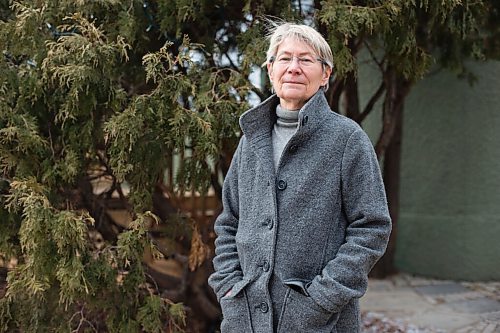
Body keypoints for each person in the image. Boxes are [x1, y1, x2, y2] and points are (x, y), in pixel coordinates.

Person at [208, 22, 392, 333]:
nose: (294, 68)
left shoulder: (346, 139)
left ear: (325, 75)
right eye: (284, 58)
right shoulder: (251, 140)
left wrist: (320, 300)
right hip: (247, 319)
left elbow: (372, 227)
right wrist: (229, 288)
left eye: (306, 60)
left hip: (319, 320)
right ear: (270, 70)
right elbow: (229, 221)